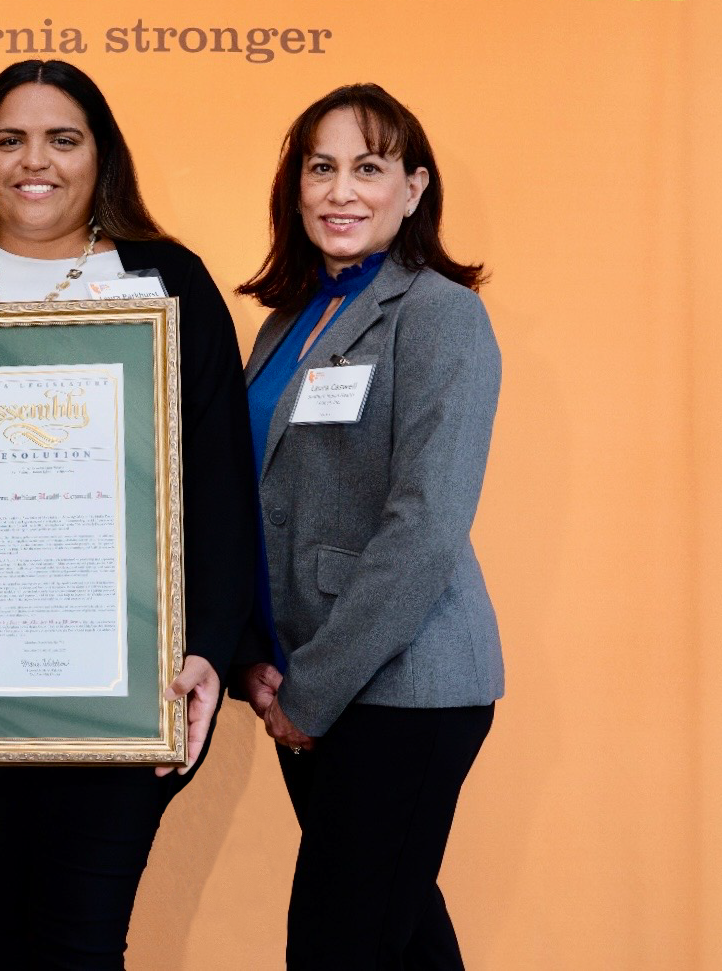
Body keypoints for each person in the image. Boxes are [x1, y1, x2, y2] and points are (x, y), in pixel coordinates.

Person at [0, 59, 257, 969]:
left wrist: (208, 654)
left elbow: (221, 485)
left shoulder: (166, 281)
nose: (38, 161)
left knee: (80, 939)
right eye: (10, 139)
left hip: (129, 684)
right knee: (6, 927)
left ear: (99, 156)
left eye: (63, 138)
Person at [235, 83, 504, 969]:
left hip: (402, 689)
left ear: (414, 188)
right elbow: (258, 499)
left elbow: (424, 528)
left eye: (369, 167)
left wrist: (309, 694)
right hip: (305, 680)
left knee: (336, 946)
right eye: (322, 168)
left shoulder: (440, 315)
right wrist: (255, 660)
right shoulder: (288, 321)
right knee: (404, 939)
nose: (340, 191)